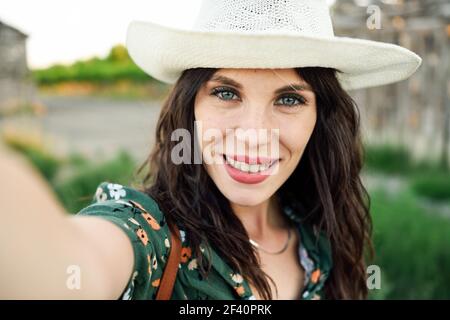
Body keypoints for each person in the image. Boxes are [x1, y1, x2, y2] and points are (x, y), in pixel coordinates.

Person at [0, 0, 422, 300]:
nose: (254, 134)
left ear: (321, 117)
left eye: (289, 99)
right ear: (191, 108)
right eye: (225, 92)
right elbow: (73, 265)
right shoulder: (152, 238)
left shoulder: (323, 239)